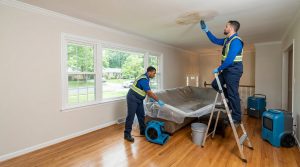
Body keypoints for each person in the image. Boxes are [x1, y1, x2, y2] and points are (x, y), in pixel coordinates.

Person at [200, 20, 244, 124]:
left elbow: (229, 59)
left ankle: (236, 117)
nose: (224, 28)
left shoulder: (236, 41)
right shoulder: (227, 40)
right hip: (226, 70)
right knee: (215, 84)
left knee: (233, 93)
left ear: (231, 28)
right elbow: (214, 40)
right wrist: (206, 30)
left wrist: (218, 69)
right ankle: (230, 101)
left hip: (234, 71)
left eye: (226, 26)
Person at [124, 66, 165, 142]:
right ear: (149, 72)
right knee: (131, 116)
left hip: (139, 99)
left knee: (141, 115)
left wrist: (152, 98)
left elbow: (145, 91)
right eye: (154, 73)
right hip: (132, 98)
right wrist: (158, 100)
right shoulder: (143, 79)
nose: (154, 75)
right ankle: (127, 134)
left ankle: (142, 131)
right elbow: (149, 92)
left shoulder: (146, 79)